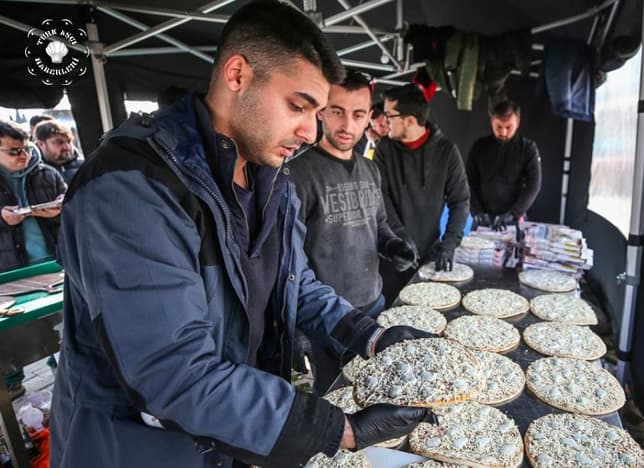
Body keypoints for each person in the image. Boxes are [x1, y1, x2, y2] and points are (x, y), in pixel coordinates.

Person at [50, 2, 434, 467]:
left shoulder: (270, 180)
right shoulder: (132, 186)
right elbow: (174, 372)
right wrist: (340, 429)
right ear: (237, 75)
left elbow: (296, 284)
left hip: (229, 438)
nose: (312, 132)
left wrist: (369, 335)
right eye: (299, 106)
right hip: (141, 450)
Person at [288, 70, 418, 393]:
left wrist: (394, 248)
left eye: (358, 114)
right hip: (327, 321)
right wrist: (298, 331)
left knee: (379, 394)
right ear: (322, 112)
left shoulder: (371, 169)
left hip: (373, 306)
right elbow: (290, 264)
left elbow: (380, 228)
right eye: (337, 112)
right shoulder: (297, 174)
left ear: (369, 118)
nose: (347, 125)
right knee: (337, 402)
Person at [374, 83, 470, 303]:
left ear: (409, 119)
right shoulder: (384, 149)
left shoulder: (446, 151)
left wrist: (449, 244)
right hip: (392, 255)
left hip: (431, 255)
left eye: (389, 115)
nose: (384, 121)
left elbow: (460, 201)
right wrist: (401, 239)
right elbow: (381, 200)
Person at [0, 120, 66, 399]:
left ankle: (62, 370)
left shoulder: (47, 174)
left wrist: (62, 208)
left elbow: (70, 205)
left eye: (25, 148)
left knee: (61, 327)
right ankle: (12, 384)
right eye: (14, 151)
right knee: (13, 340)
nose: (23, 155)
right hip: (12, 274)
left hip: (53, 265)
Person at [467, 100, 542, 232]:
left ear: (517, 123)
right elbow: (468, 181)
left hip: (514, 217)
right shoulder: (479, 146)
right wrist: (476, 210)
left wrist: (514, 213)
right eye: (498, 127)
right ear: (492, 122)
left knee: (513, 251)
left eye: (508, 127)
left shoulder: (528, 148)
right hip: (483, 217)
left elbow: (534, 184)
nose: (503, 132)